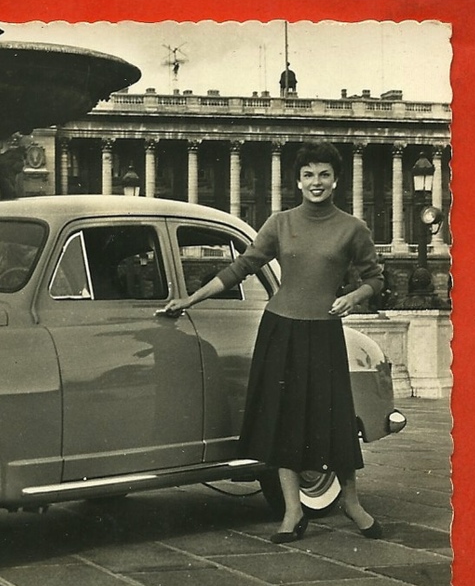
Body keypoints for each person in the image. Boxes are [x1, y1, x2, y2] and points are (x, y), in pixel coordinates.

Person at [164, 140, 384, 544]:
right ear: (297, 181)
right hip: (281, 330)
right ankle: (293, 511)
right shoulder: (280, 222)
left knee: (334, 421)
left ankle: (352, 503)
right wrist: (190, 299)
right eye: (307, 175)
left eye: (323, 175)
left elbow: (374, 278)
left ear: (336, 180)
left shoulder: (353, 228)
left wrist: (354, 296)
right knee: (285, 421)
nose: (315, 183)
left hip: (323, 332)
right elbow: (242, 267)